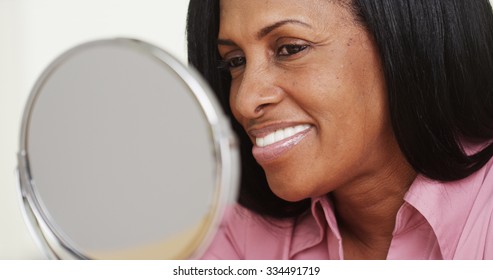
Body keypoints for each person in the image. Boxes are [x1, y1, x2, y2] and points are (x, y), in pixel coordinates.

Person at [187, 0, 493, 259]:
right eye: (235, 61)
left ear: (409, 38)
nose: (244, 101)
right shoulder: (231, 235)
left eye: (290, 48)